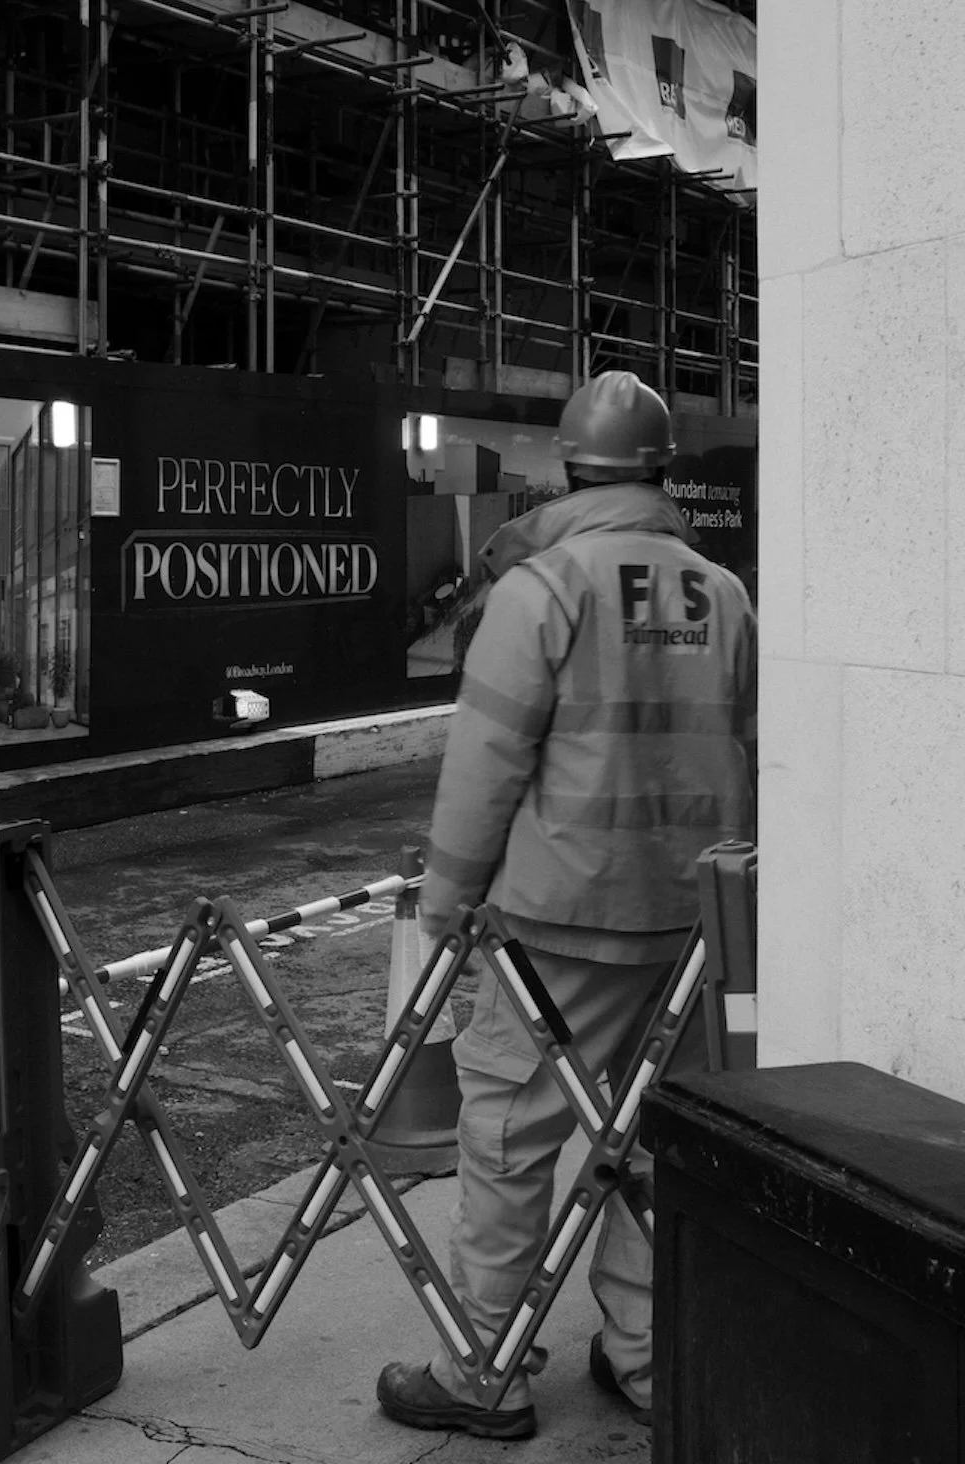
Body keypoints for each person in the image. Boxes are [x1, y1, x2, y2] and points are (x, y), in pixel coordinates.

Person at [377, 370, 757, 1441]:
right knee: (653, 1143)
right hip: (692, 931)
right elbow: (752, 754)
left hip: (558, 922)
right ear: (662, 471)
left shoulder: (542, 589)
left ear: (567, 469)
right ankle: (643, 1358)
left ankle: (480, 1368)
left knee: (508, 1133)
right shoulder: (721, 595)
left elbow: (484, 765)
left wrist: (447, 903)